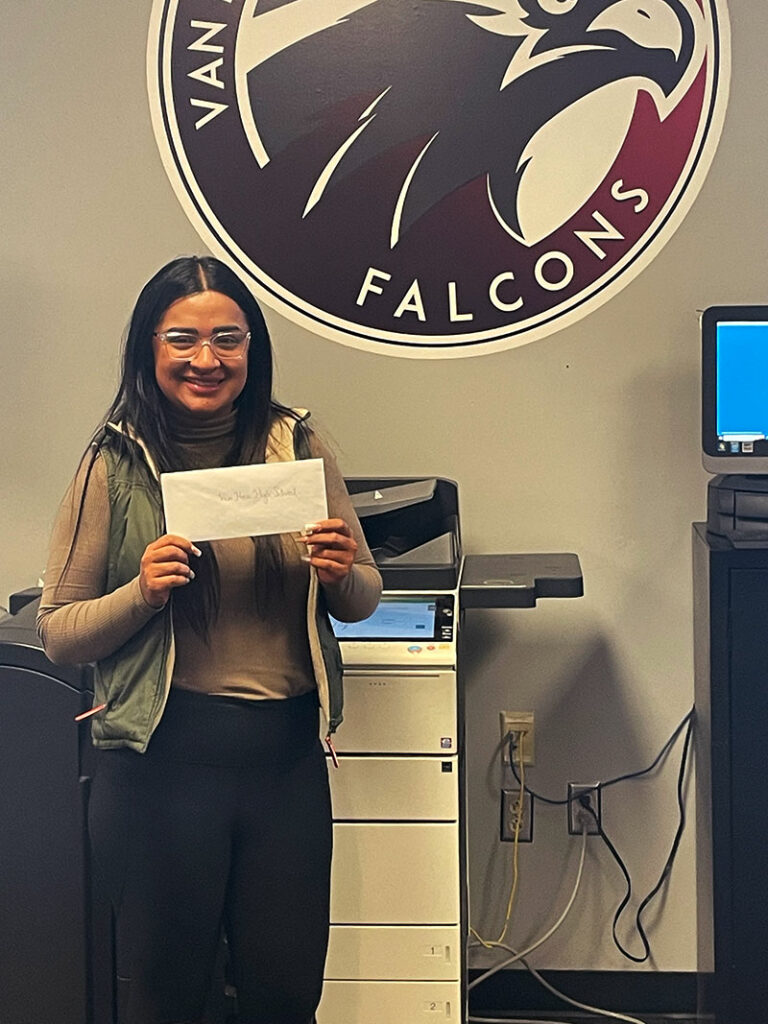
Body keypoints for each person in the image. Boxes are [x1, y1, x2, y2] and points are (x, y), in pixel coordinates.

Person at [37, 255, 382, 1024]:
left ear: (251, 348)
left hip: (284, 764)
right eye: (182, 339)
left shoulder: (298, 442)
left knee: (285, 995)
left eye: (227, 339)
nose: (206, 360)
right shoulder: (114, 462)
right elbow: (59, 632)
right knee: (168, 998)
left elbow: (364, 597)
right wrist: (143, 591)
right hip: (163, 769)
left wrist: (337, 574)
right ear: (148, 349)